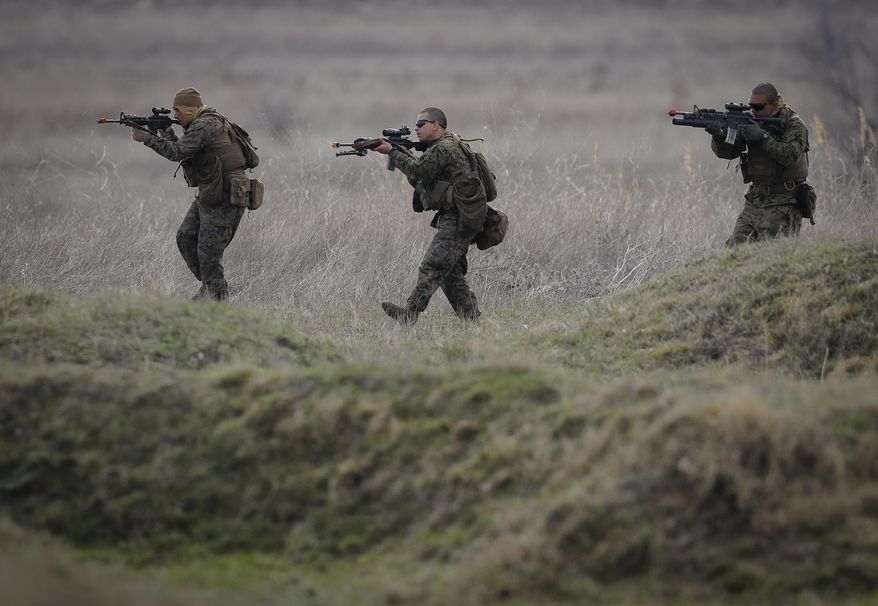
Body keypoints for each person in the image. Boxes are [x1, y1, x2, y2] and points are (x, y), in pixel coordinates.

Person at [131, 87, 247, 301]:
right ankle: (211, 289)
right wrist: (166, 132)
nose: (175, 117)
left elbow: (178, 152)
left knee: (208, 254)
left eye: (178, 112)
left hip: (225, 192)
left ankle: (216, 301)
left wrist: (147, 139)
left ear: (189, 109)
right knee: (185, 237)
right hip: (212, 191)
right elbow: (185, 148)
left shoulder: (205, 124)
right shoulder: (201, 122)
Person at [372, 107, 483, 325]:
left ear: (436, 125)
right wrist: (395, 150)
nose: (416, 128)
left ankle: (410, 313)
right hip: (462, 213)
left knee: (432, 266)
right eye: (416, 125)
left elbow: (419, 171)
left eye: (421, 124)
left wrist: (392, 152)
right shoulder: (449, 142)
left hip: (461, 216)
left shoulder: (443, 148)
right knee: (448, 271)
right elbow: (422, 170)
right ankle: (471, 320)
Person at [707, 82, 810, 246]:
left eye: (759, 107)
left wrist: (763, 138)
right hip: (756, 199)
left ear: (775, 105)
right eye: (751, 106)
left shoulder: (794, 124)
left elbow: (789, 156)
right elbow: (728, 153)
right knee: (734, 250)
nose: (754, 111)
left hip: (784, 201)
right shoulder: (751, 121)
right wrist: (718, 136)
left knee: (773, 253)